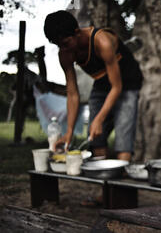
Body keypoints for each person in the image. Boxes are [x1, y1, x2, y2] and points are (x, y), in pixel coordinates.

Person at [44, 10, 143, 162]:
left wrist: (99, 119)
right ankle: (103, 176)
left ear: (77, 32)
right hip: (102, 84)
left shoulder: (102, 41)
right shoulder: (65, 53)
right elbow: (72, 94)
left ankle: (122, 177)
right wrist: (69, 131)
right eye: (58, 45)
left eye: (65, 43)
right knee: (95, 138)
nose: (64, 49)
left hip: (127, 83)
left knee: (123, 140)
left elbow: (117, 87)